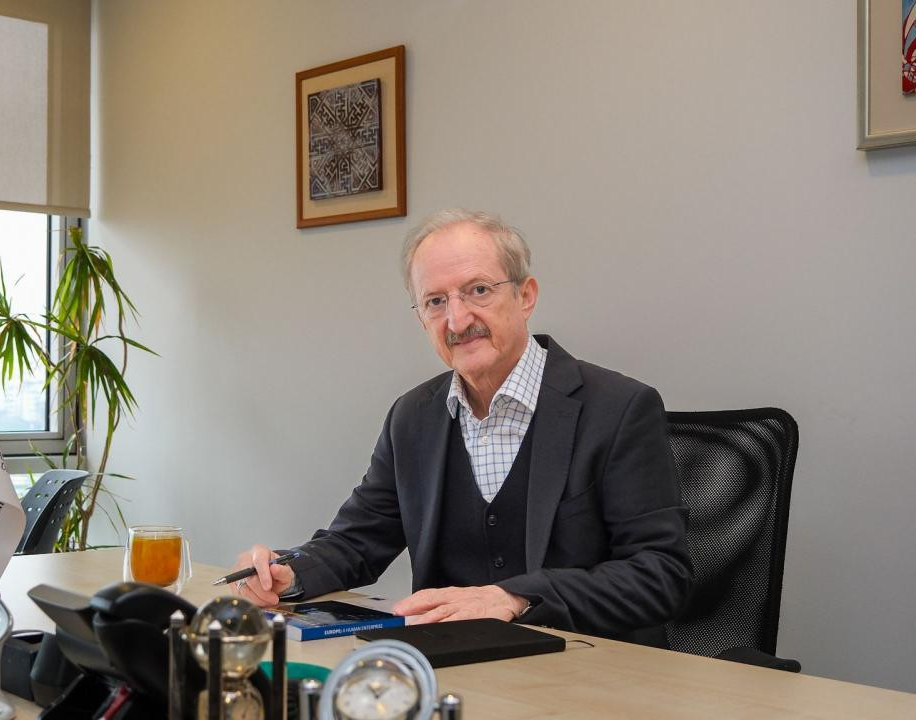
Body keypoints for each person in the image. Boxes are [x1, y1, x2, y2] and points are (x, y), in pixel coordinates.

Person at [232, 209, 692, 646]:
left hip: (586, 669)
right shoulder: (412, 417)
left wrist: (514, 597)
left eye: (478, 290)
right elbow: (355, 543)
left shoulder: (619, 408)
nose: (457, 319)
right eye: (436, 301)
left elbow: (660, 575)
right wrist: (288, 572)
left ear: (526, 296)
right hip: (450, 664)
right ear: (421, 317)